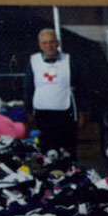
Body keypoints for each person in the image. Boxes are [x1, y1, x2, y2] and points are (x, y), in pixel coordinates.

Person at [24, 28, 88, 158]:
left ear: (57, 43)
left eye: (52, 42)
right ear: (40, 45)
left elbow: (79, 87)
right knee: (46, 150)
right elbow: (28, 88)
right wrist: (29, 112)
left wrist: (82, 112)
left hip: (66, 111)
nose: (49, 46)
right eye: (45, 43)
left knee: (68, 150)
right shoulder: (33, 61)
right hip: (43, 112)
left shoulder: (70, 60)